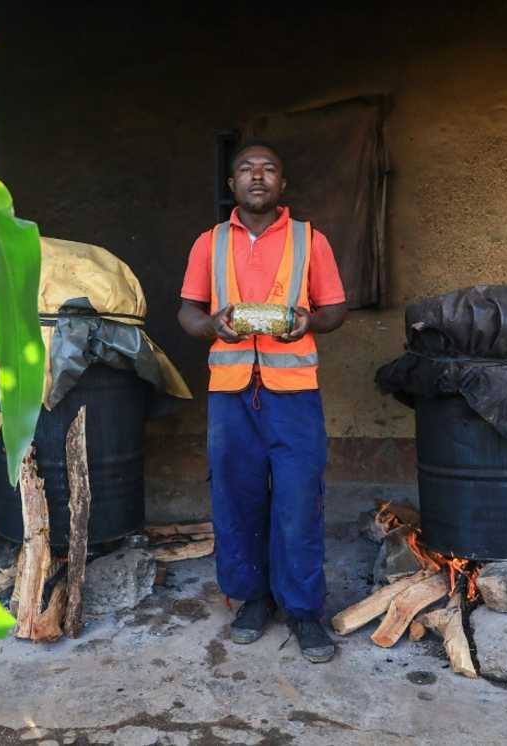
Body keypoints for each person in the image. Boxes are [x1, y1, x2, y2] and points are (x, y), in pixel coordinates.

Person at [178, 141, 347, 662]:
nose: (257, 177)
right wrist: (211, 326)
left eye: (269, 169)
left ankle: (302, 610)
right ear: (231, 185)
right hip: (230, 395)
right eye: (246, 170)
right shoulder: (209, 243)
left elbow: (335, 309)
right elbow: (187, 311)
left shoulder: (309, 239)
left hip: (293, 396)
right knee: (236, 498)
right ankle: (252, 599)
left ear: (282, 184)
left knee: (299, 499)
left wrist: (309, 321)